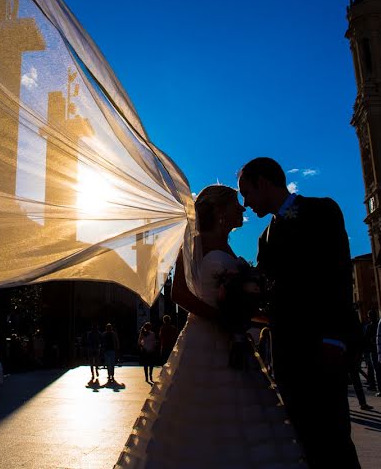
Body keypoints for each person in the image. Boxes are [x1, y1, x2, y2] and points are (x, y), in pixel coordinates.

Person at [115, 185, 303, 468]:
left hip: (233, 338)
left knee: (242, 417)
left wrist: (256, 314)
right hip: (204, 338)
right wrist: (223, 319)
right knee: (199, 416)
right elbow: (178, 293)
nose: (242, 208)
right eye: (235, 204)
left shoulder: (227, 246)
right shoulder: (194, 242)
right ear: (219, 210)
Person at [241, 158, 361, 467]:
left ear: (264, 183)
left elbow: (337, 275)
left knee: (333, 438)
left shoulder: (320, 211)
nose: (246, 203)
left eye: (247, 192)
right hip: (287, 353)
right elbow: (268, 290)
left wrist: (334, 339)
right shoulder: (263, 237)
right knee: (304, 439)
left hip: (323, 346)